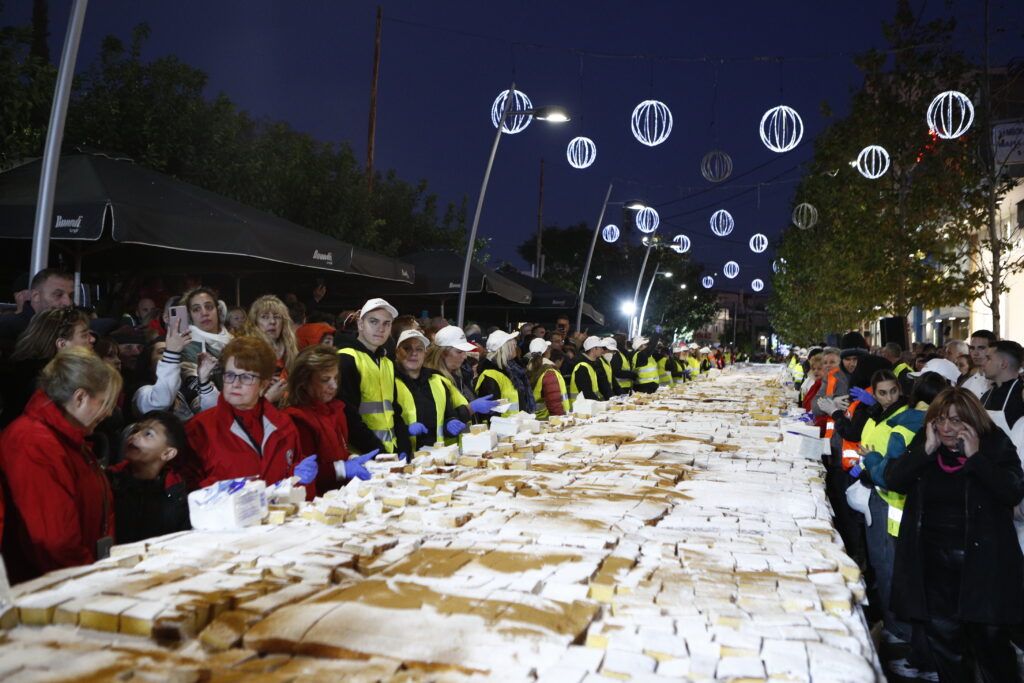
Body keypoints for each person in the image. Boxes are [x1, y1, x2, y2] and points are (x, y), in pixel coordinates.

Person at [886, 387, 1024, 683]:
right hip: (934, 565)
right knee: (946, 647)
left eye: (956, 421)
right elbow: (893, 480)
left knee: (991, 646)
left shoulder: (994, 443)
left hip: (983, 565)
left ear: (973, 422)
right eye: (940, 420)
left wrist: (976, 458)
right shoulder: (926, 443)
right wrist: (925, 451)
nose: (947, 428)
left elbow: (1011, 490)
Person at [0, 347, 121, 583]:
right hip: (50, 592)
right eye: (105, 403)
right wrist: (92, 584)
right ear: (80, 397)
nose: (107, 414)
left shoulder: (69, 438)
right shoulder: (34, 443)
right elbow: (54, 542)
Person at [185, 336, 315, 490]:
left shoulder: (284, 425)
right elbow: (187, 491)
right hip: (224, 513)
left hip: (277, 513)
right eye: (230, 375)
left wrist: (297, 478)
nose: (236, 384)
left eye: (247, 377)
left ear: (263, 385)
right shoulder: (200, 428)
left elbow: (293, 481)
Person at [284, 345, 381, 493]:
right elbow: (307, 476)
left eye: (335, 378)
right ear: (304, 381)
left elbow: (337, 453)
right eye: (325, 380)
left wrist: (351, 459)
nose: (334, 385)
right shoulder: (298, 420)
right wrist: (342, 468)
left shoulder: (335, 410)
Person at [337, 298, 411, 457]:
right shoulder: (346, 359)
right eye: (373, 322)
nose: (380, 329)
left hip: (389, 453)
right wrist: (380, 453)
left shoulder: (386, 362)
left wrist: (403, 447)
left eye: (386, 323)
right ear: (360, 325)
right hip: (361, 456)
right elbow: (348, 417)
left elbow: (394, 409)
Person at [0, 307, 95, 428]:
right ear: (62, 344)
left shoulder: (22, 371)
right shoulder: (47, 383)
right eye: (84, 335)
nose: (92, 339)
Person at [106, 410, 191, 543]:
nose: (135, 436)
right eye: (136, 430)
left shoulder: (177, 497)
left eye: (148, 434)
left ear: (168, 453)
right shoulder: (109, 480)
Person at [394, 329, 466, 449]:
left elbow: (449, 415)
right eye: (407, 348)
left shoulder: (437, 380)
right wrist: (405, 430)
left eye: (419, 349)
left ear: (425, 353)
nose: (414, 353)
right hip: (403, 457)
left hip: (435, 456)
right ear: (397, 352)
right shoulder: (390, 381)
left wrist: (450, 423)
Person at [133, 324, 219, 421]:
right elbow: (160, 402)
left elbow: (212, 412)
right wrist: (172, 353)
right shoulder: (141, 392)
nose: (168, 355)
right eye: (162, 352)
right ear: (148, 362)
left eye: (171, 352)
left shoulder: (182, 387)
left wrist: (204, 381)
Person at [424, 326, 498, 419]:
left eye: (464, 351)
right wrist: (470, 409)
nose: (465, 356)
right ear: (443, 354)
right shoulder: (430, 380)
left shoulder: (461, 375)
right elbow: (438, 418)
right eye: (459, 352)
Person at [179, 287, 233, 408]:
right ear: (190, 317)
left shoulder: (236, 342)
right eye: (196, 309)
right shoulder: (186, 346)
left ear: (218, 311)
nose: (204, 313)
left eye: (209, 307)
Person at [240, 295, 296, 404]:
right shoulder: (246, 351)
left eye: (277, 316)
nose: (272, 321)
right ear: (255, 323)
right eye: (265, 317)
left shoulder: (291, 350)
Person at [0, 268, 75, 350]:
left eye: (70, 296)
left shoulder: (71, 327)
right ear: (36, 296)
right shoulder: (7, 327)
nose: (68, 302)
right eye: (58, 295)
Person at [475, 329, 526, 416]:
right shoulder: (490, 375)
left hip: (514, 425)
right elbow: (491, 411)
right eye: (513, 345)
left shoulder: (510, 371)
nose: (515, 348)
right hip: (501, 427)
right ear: (504, 348)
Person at [980, 340, 1024, 438]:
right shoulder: (987, 395)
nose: (983, 363)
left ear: (1003, 364)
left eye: (988, 358)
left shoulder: (1021, 394)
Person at [526, 337, 569, 419]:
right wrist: (561, 420)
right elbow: (554, 402)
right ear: (547, 352)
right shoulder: (549, 372)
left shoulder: (529, 369)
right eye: (549, 348)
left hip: (535, 419)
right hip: (547, 419)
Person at [570, 336, 612, 402]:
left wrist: (612, 400)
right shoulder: (581, 366)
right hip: (580, 408)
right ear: (593, 349)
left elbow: (603, 385)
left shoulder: (595, 363)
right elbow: (586, 393)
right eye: (600, 347)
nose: (602, 350)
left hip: (590, 406)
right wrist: (599, 404)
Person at [963, 330, 997, 398]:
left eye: (981, 348)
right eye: (972, 348)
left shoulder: (1001, 380)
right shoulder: (966, 384)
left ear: (993, 349)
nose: (975, 353)